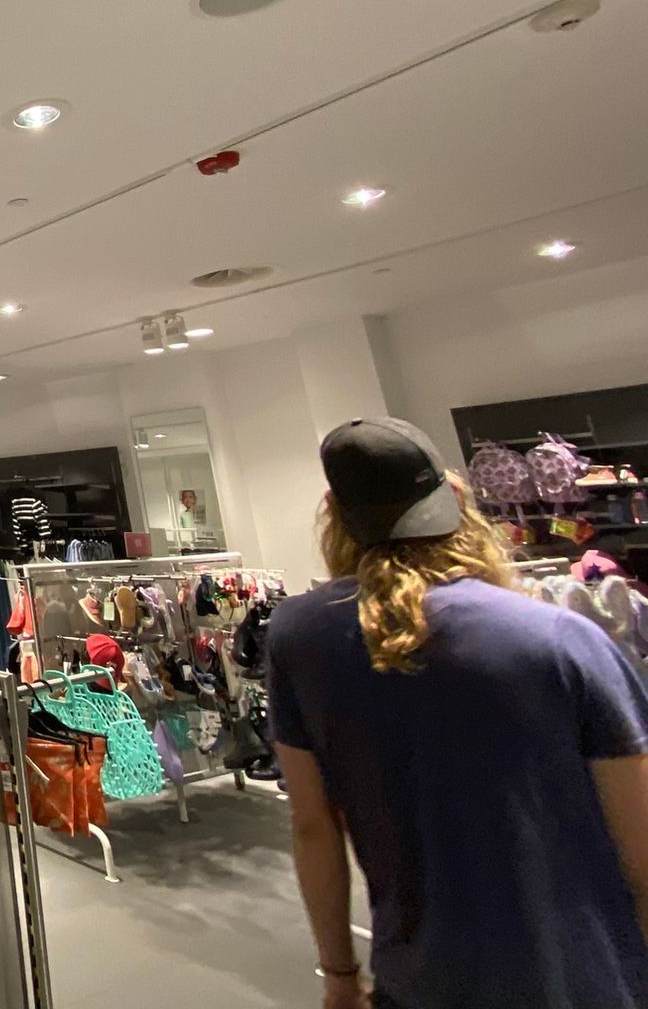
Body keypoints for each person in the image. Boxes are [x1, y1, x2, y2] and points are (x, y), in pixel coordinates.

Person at [266, 416, 648, 1009]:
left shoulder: (298, 637)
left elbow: (313, 824)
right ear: (458, 500)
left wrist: (340, 975)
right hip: (583, 977)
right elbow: (642, 850)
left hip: (419, 978)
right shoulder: (561, 638)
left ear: (333, 513)